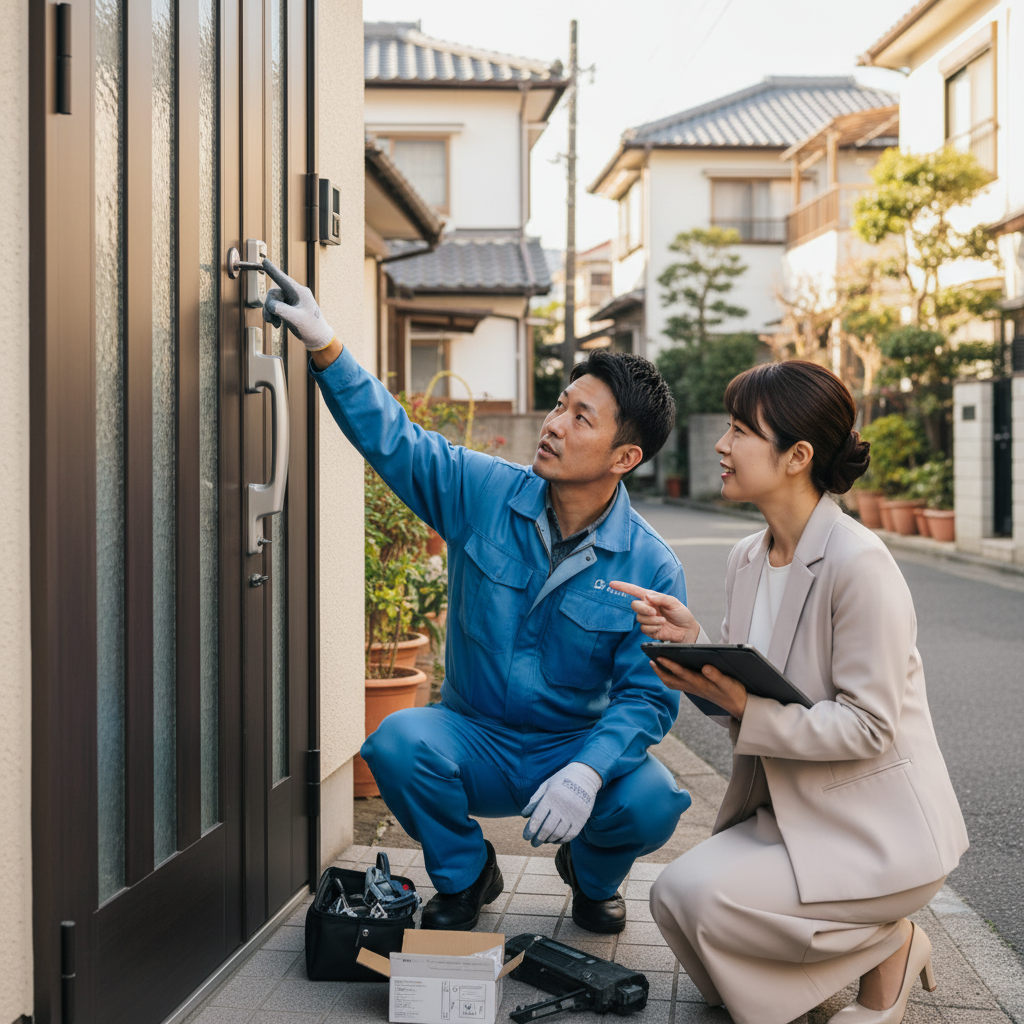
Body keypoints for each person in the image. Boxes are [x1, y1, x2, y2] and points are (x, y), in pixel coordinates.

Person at [261, 260, 692, 933]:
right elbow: (396, 441)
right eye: (558, 404)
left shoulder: (651, 565)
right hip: (474, 736)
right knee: (396, 740)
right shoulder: (483, 491)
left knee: (654, 800)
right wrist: (325, 344)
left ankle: (592, 875)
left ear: (623, 458)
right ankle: (467, 875)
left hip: (571, 745)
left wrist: (587, 770)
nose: (554, 424)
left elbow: (644, 698)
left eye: (581, 418)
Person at [611, 360, 968, 1024]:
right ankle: (855, 955)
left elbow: (866, 727)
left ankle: (889, 944)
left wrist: (747, 706)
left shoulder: (860, 565)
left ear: (797, 456)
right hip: (790, 816)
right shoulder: (748, 558)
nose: (721, 445)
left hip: (877, 832)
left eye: (741, 430)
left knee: (709, 905)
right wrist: (696, 645)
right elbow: (762, 696)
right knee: (674, 899)